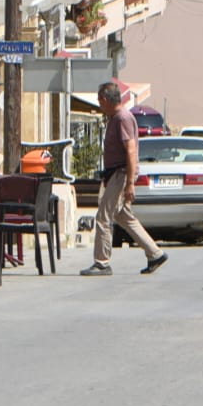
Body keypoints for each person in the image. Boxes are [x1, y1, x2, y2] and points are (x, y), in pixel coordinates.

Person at [83, 80, 169, 277]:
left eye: (100, 101)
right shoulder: (115, 118)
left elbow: (130, 151)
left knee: (103, 217)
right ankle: (155, 254)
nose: (99, 104)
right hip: (116, 174)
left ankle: (102, 263)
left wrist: (130, 183)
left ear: (106, 100)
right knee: (123, 216)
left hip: (121, 174)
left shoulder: (123, 118)